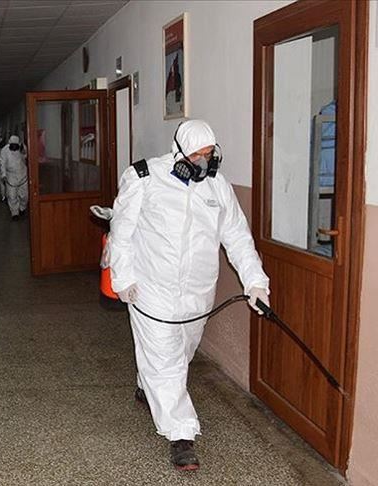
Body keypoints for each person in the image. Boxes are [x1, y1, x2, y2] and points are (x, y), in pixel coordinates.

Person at [104, 120, 270, 471]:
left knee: (181, 353)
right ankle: (181, 435)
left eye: (210, 154)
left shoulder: (217, 187)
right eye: (197, 155)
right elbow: (122, 231)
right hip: (151, 290)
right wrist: (123, 278)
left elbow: (238, 238)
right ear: (178, 153)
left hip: (198, 293)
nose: (204, 162)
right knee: (165, 361)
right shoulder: (144, 177)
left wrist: (256, 282)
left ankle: (146, 384)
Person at [1, 135, 28, 220]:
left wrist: (24, 151)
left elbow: (26, 156)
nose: (13, 148)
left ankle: (22, 208)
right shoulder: (4, 150)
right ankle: (14, 213)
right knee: (12, 196)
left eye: (15, 146)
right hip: (11, 176)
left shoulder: (22, 148)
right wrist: (4, 175)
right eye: (12, 146)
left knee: (24, 196)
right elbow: (2, 163)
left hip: (23, 175)